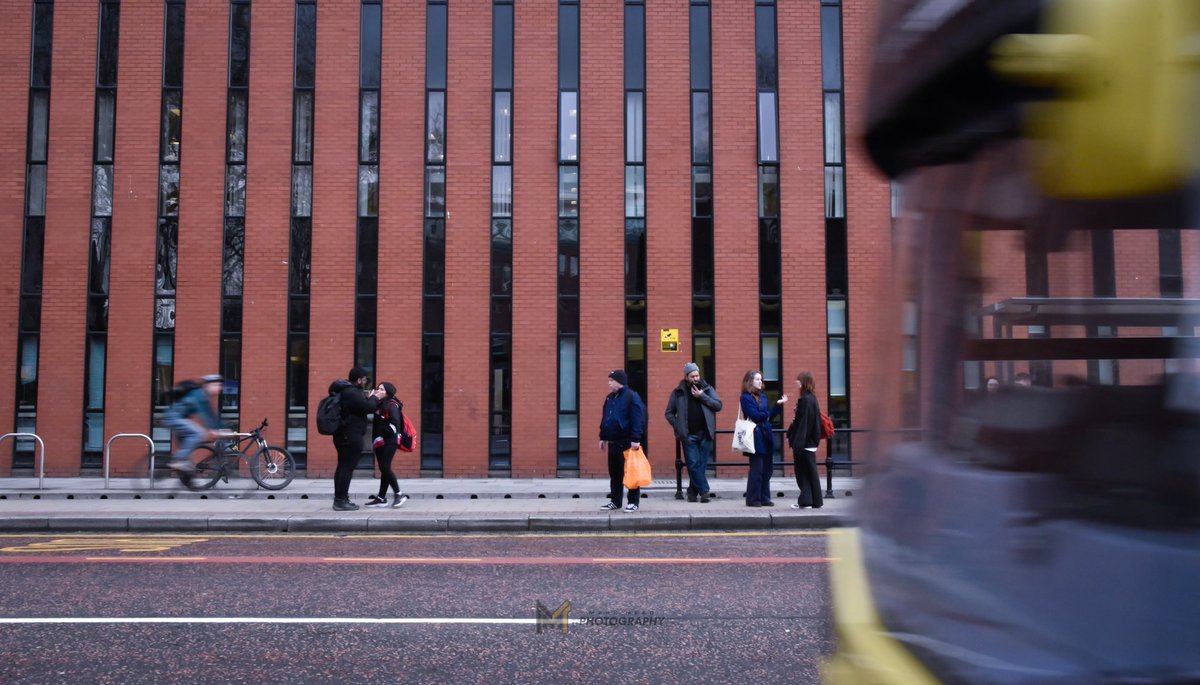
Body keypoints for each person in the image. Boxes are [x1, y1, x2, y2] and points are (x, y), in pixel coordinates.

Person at [665, 361, 722, 503]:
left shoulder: (707, 389)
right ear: (686, 377)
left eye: (697, 375)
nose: (696, 378)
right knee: (692, 463)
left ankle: (692, 492)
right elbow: (669, 413)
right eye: (692, 376)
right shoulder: (678, 392)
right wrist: (677, 426)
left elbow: (718, 405)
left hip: (705, 434)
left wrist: (702, 396)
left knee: (700, 465)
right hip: (688, 435)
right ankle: (704, 491)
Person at [330, 366, 382, 511]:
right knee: (347, 467)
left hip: (344, 434)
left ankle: (341, 498)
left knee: (342, 466)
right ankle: (340, 500)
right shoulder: (351, 392)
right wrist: (375, 397)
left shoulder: (347, 391)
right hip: (350, 435)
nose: (366, 381)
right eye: (364, 379)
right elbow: (368, 407)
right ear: (358, 380)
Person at [599, 369, 647, 513]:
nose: (609, 383)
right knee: (615, 474)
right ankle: (615, 501)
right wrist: (602, 436)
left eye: (611, 381)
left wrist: (636, 438)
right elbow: (606, 418)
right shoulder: (610, 398)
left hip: (627, 442)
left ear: (619, 382)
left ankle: (633, 502)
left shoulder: (631, 396)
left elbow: (638, 418)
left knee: (630, 472)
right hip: (613, 442)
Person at [739, 370, 786, 507]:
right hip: (755, 436)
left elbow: (768, 416)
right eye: (757, 379)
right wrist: (765, 414)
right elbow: (754, 415)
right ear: (750, 381)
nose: (761, 382)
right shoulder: (745, 397)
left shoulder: (763, 397)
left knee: (767, 469)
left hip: (766, 435)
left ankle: (765, 497)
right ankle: (753, 498)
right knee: (757, 469)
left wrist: (777, 406)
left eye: (761, 379)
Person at [165, 374, 229, 474]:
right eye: (217, 385)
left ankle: (189, 482)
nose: (219, 388)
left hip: (180, 419)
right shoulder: (199, 395)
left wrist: (221, 428)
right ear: (209, 385)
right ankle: (178, 460)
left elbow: (211, 415)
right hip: (174, 418)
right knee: (199, 433)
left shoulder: (204, 396)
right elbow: (204, 415)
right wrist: (214, 430)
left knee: (187, 457)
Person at [365, 382, 410, 508]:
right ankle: (381, 497)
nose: (378, 391)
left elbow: (395, 425)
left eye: (381, 389)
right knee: (384, 468)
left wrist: (383, 433)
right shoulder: (379, 404)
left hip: (388, 442)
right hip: (379, 441)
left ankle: (399, 494)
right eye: (378, 388)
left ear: (388, 392)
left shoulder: (392, 405)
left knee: (385, 468)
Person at [786, 370, 823, 509]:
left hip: (804, 444)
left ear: (803, 382)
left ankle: (807, 501)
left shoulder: (806, 400)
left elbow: (803, 424)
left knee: (803, 473)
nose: (796, 382)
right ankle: (814, 501)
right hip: (809, 443)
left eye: (798, 379)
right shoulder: (811, 398)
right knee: (810, 473)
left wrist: (797, 444)